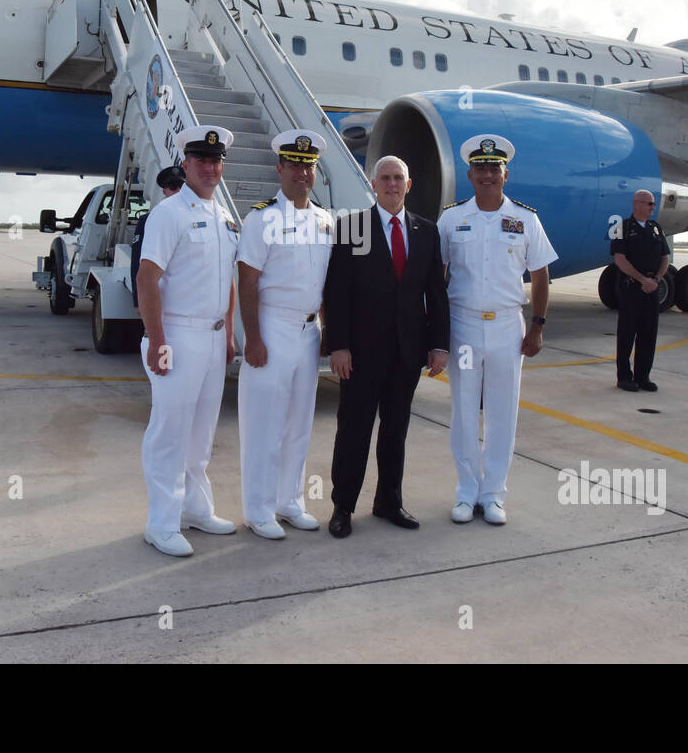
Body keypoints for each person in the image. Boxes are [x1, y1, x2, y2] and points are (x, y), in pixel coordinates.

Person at [324, 155, 449, 539]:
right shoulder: (352, 228)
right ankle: (343, 506)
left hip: (407, 352)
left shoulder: (426, 231)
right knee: (354, 430)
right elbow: (337, 292)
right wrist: (338, 346)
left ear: (408, 185)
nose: (392, 184)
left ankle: (388, 502)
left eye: (398, 178)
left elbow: (436, 293)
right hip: (360, 354)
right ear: (373, 184)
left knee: (396, 430)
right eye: (385, 178)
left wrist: (439, 345)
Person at [437, 136, 557, 526]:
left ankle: (493, 495)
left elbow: (540, 276)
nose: (487, 175)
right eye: (481, 168)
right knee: (464, 410)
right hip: (464, 326)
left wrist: (537, 326)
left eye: (494, 168)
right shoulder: (451, 219)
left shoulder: (526, 220)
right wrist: (435, 331)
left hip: (507, 326)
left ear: (506, 174)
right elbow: (436, 277)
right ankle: (466, 492)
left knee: (503, 412)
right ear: (470, 174)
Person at [134, 126, 240, 557]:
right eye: (202, 160)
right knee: (169, 434)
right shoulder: (170, 213)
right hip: (177, 335)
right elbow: (147, 279)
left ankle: (195, 510)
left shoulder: (224, 216)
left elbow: (228, 280)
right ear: (186, 164)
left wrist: (228, 334)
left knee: (200, 435)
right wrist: (156, 340)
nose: (210, 167)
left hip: (213, 339)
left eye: (216, 160)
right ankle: (161, 524)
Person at [237, 129, 334, 540]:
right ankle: (259, 510)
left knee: (298, 423)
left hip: (309, 331)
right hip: (272, 327)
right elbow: (247, 280)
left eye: (308, 166)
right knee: (264, 423)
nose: (301, 173)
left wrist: (328, 329)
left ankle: (289, 501)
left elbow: (325, 282)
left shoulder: (325, 221)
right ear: (279, 168)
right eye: (294, 164)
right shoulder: (261, 219)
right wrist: (253, 338)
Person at [611, 190, 670, 392]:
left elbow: (665, 258)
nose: (653, 207)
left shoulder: (656, 228)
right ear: (637, 204)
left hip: (651, 287)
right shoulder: (622, 228)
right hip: (631, 288)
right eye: (650, 204)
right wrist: (642, 279)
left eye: (653, 204)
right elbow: (619, 259)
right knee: (627, 334)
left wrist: (656, 279)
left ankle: (643, 376)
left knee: (648, 333)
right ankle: (624, 377)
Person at [130, 164, 185, 310]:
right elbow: (137, 262)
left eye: (182, 186)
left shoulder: (198, 218)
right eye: (173, 187)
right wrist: (138, 300)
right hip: (160, 297)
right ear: (164, 191)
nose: (178, 191)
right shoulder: (148, 220)